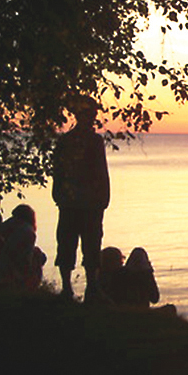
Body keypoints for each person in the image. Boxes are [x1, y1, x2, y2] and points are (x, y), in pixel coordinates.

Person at [52, 95, 110, 301]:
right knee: (76, 244)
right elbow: (100, 171)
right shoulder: (87, 141)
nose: (93, 117)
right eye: (90, 114)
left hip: (80, 202)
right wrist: (103, 197)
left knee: (85, 245)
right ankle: (75, 288)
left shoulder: (68, 141)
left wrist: (103, 198)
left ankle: (88, 288)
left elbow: (58, 171)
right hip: (82, 202)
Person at [0, 204, 46, 290]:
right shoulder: (28, 232)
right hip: (4, 274)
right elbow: (25, 261)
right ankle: (30, 287)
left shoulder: (6, 225)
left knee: (37, 253)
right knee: (38, 255)